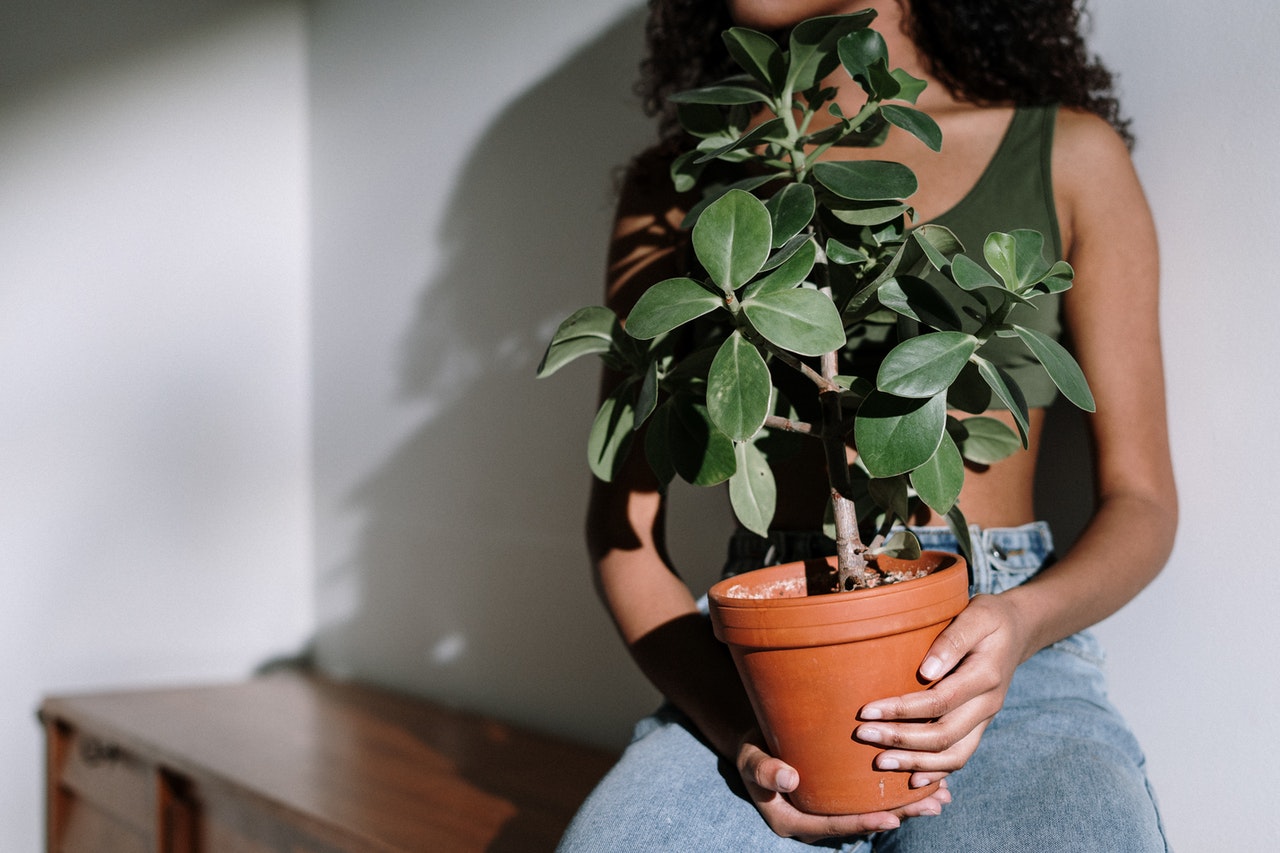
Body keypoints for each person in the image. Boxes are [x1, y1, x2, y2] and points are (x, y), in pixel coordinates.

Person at [558, 0, 1176, 849]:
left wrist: (1021, 623)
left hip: (1000, 654)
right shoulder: (683, 183)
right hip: (759, 665)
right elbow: (620, 529)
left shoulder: (1070, 152)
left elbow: (1142, 501)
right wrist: (737, 729)